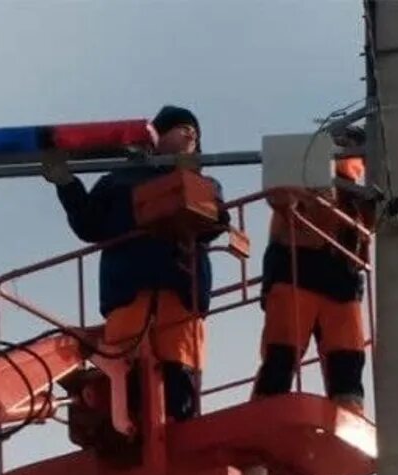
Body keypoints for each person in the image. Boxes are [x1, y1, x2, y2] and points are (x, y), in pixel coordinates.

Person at [44, 105, 226, 423]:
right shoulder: (118, 182)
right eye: (179, 127)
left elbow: (215, 224)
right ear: (155, 137)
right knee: (125, 371)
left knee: (180, 370)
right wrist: (66, 183)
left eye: (193, 130)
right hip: (129, 289)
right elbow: (89, 224)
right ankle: (129, 428)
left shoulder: (202, 184)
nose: (189, 133)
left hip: (180, 291)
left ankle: (180, 427)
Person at [250, 143, 372, 413]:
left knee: (347, 360)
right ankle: (267, 412)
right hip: (298, 274)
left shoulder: (360, 199)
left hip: (341, 285)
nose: (359, 164)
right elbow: (279, 197)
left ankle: (349, 416)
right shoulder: (305, 172)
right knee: (283, 352)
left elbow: (370, 231)